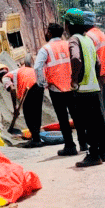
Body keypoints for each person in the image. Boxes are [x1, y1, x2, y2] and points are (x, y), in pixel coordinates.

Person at [63, 9, 105, 167]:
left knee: (88, 123)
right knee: (98, 121)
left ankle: (93, 155)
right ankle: (103, 152)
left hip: (83, 90)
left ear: (69, 24)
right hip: (94, 87)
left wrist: (75, 79)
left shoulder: (74, 40)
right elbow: (98, 63)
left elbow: (76, 58)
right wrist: (93, 78)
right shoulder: (88, 39)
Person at [34, 22, 85, 156]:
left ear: (50, 33)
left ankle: (70, 145)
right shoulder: (68, 44)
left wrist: (42, 83)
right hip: (72, 86)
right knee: (77, 116)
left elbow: (37, 67)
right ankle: (83, 143)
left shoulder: (46, 49)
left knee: (63, 118)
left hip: (56, 88)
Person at [0, 57, 44, 148]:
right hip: (39, 83)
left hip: (30, 87)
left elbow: (12, 90)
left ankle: (36, 140)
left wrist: (15, 108)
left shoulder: (5, 78)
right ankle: (37, 138)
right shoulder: (16, 72)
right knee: (37, 112)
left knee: (28, 114)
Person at [85, 12, 105, 139]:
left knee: (99, 103)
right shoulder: (99, 32)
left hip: (97, 71)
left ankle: (104, 132)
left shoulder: (88, 36)